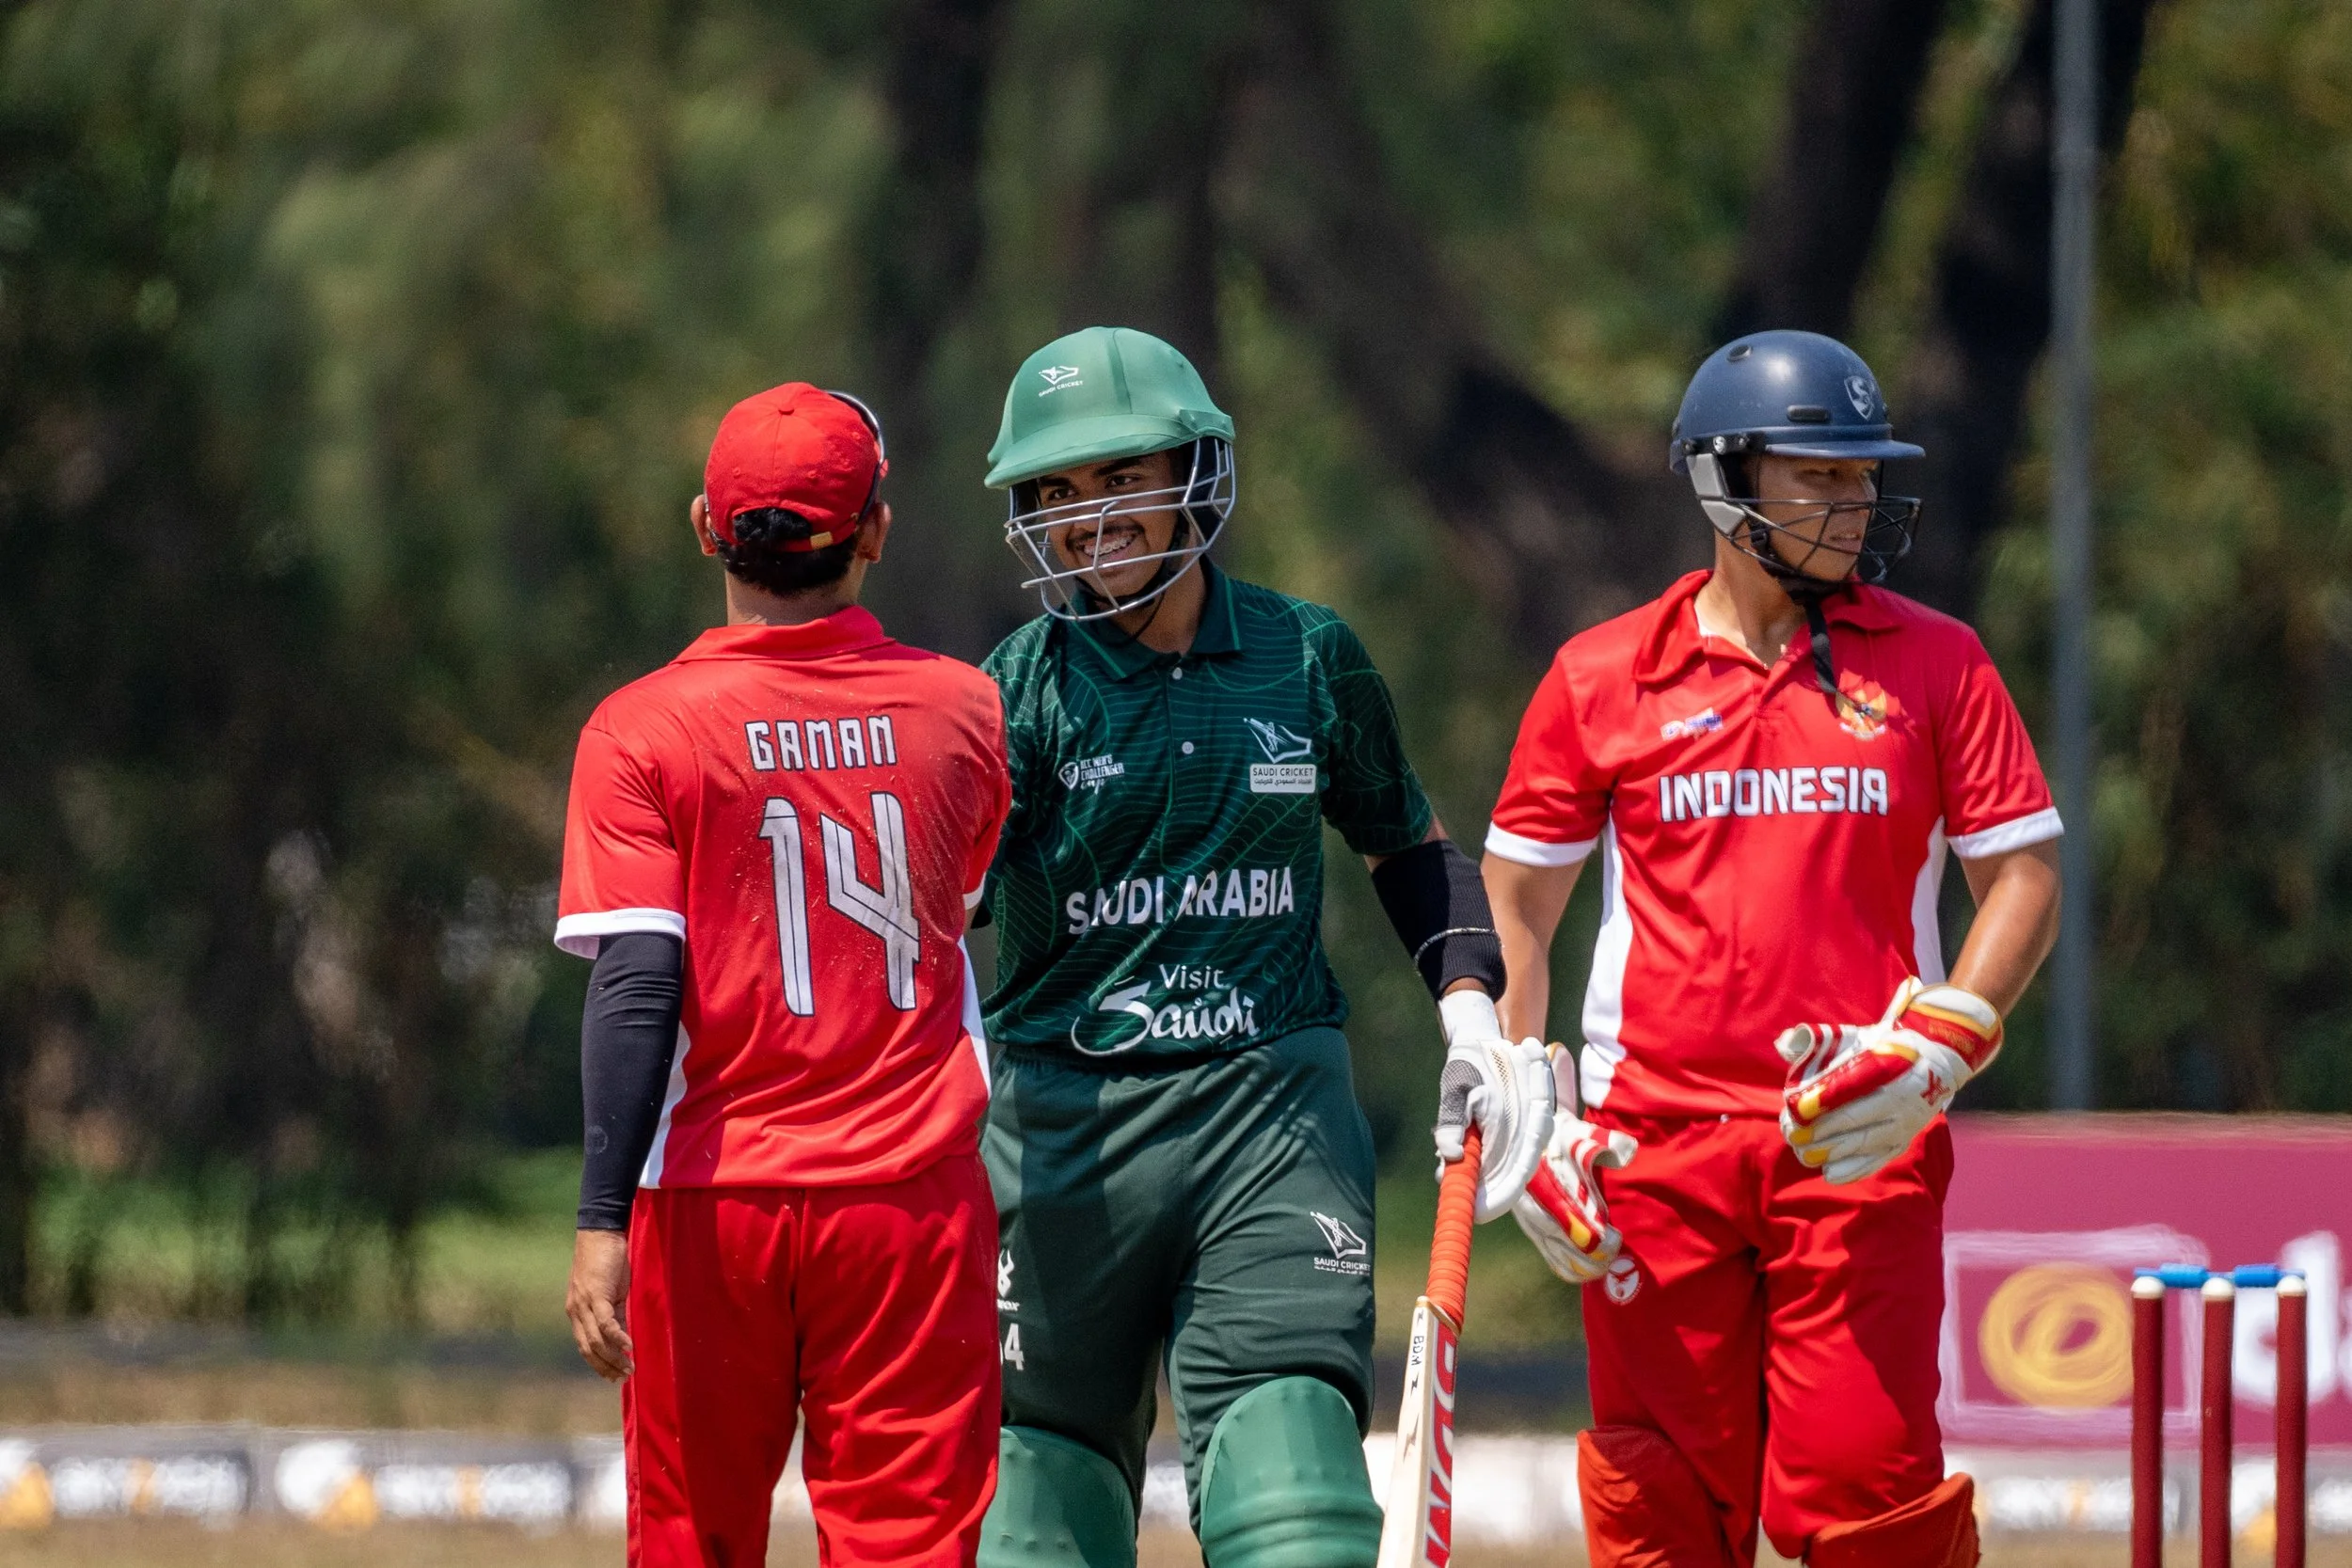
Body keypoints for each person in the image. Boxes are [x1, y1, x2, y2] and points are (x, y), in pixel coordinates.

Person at [969, 325, 1565, 1568]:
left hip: (1268, 1117)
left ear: (1195, 470)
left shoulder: (1309, 655)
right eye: (1060, 492)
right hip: (1060, 1128)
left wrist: (1471, 1011)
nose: (1092, 518)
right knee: (1039, 1509)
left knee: (1296, 1494)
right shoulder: (1012, 689)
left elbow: (1408, 847)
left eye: (1122, 475)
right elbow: (933, 914)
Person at [1482, 330, 2063, 1568]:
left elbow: (2021, 875)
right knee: (1665, 1508)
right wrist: (1526, 1100)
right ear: (1723, 482)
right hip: (1652, 1151)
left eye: (1865, 478)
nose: (1858, 505)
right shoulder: (1602, 676)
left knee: (1870, 1496)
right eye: (1823, 478)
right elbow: (1517, 899)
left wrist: (1942, 1045)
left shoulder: (1938, 660)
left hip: (1856, 1139)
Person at [555, 383, 1010, 1567]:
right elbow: (953, 907)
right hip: (908, 1201)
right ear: (874, 530)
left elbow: (641, 981)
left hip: (713, 1203)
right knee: (910, 1547)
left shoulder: (638, 728)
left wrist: (601, 1219)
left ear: (706, 524)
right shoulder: (965, 710)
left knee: (694, 1544)